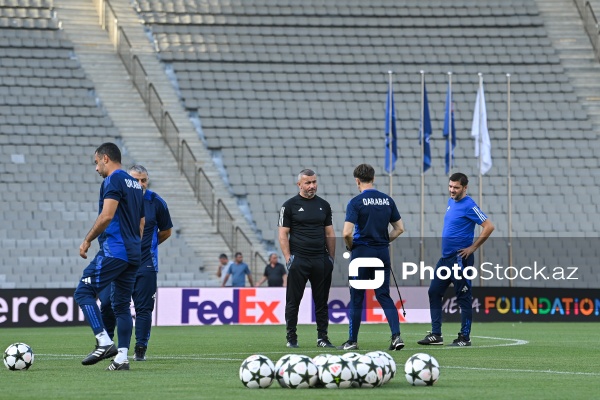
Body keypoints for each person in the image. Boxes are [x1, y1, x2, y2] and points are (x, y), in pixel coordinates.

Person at [73, 142, 145, 371]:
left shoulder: (112, 180)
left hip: (115, 250)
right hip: (134, 252)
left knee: (83, 291)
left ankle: (103, 341)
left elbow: (106, 216)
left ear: (105, 158)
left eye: (96, 163)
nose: (96, 169)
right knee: (122, 306)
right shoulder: (135, 183)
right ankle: (122, 358)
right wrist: (134, 244)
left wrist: (87, 240)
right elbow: (141, 222)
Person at [98, 165, 173, 362]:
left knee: (144, 308)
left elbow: (166, 231)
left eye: (144, 180)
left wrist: (148, 245)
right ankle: (106, 343)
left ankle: (141, 347)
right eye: (137, 180)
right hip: (118, 261)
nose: (140, 184)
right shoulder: (116, 200)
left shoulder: (157, 202)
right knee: (107, 303)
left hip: (145, 263)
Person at [417, 172, 494, 347]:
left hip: (460, 260)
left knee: (463, 297)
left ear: (465, 188)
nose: (452, 190)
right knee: (434, 292)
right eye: (450, 186)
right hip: (445, 259)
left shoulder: (469, 205)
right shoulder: (451, 201)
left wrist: (473, 247)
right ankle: (436, 334)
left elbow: (489, 226)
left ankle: (464, 337)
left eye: (456, 187)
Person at [337, 164, 405, 351]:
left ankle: (352, 341)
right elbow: (400, 228)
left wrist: (351, 247)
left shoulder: (355, 202)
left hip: (362, 252)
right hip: (382, 252)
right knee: (383, 295)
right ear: (373, 179)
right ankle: (396, 337)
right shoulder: (387, 200)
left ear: (357, 180)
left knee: (357, 297)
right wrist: (384, 240)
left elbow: (346, 233)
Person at [278, 168, 336, 348]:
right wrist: (289, 258)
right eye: (308, 183)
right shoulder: (289, 206)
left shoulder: (324, 205)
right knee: (293, 301)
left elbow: (329, 233)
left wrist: (330, 259)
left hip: (321, 260)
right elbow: (283, 234)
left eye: (314, 182)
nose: (312, 186)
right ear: (299, 184)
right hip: (299, 260)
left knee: (322, 301)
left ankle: (322, 338)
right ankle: (291, 338)